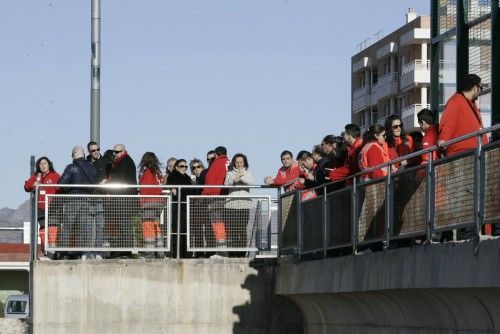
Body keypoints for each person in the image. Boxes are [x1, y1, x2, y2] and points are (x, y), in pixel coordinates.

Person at [58, 145, 98, 260]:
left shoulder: (71, 167)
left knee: (68, 226)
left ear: (74, 154)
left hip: (73, 199)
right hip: (87, 200)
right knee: (83, 226)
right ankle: (82, 253)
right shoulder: (91, 167)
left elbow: (61, 183)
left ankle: (63, 252)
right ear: (84, 154)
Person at [438, 73, 488, 156]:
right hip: (463, 154)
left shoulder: (472, 104)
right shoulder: (455, 101)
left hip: (477, 153)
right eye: (481, 88)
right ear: (475, 88)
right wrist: (443, 139)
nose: (480, 92)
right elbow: (448, 123)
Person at [24, 157, 60, 256]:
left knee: (52, 225)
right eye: (40, 164)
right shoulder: (36, 176)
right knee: (43, 227)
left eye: (45, 163)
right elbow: (26, 186)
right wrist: (33, 185)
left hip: (53, 206)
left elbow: (61, 187)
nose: (43, 165)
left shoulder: (55, 176)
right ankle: (45, 250)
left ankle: (52, 247)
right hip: (40, 206)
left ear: (49, 164)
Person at [107, 143, 138, 255]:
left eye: (117, 152)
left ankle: (126, 251)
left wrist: (109, 183)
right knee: (121, 225)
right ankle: (123, 250)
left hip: (124, 200)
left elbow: (122, 179)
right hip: (122, 199)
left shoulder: (126, 162)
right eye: (114, 152)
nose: (115, 154)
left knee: (125, 225)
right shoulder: (121, 162)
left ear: (123, 151)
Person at [86, 141, 114, 258]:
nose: (96, 152)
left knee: (100, 226)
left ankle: (98, 252)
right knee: (87, 227)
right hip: (88, 198)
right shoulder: (85, 164)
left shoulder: (105, 162)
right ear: (89, 152)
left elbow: (111, 178)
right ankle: (87, 252)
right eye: (93, 150)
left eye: (98, 149)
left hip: (101, 198)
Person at [202, 146, 231, 255]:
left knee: (217, 223)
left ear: (216, 155)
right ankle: (226, 250)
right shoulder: (231, 162)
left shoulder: (216, 164)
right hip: (229, 198)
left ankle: (221, 252)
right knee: (228, 225)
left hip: (216, 197)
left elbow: (210, 181)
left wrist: (204, 195)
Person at [224, 153, 255, 253]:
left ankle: (242, 252)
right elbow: (226, 183)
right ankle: (232, 252)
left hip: (244, 205)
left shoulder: (248, 172)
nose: (239, 164)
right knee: (232, 230)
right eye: (237, 162)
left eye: (241, 162)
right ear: (234, 163)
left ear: (244, 163)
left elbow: (251, 183)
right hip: (231, 205)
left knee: (242, 229)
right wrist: (234, 179)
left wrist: (241, 178)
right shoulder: (230, 173)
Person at [138, 152, 165, 258]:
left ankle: (149, 253)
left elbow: (145, 189)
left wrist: (141, 202)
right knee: (156, 227)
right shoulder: (158, 173)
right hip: (159, 202)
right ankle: (160, 251)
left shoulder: (147, 172)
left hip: (149, 202)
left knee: (148, 226)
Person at [167, 159, 196, 257]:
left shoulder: (187, 177)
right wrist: (172, 189)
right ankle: (177, 254)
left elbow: (191, 191)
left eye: (185, 166)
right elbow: (170, 186)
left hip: (186, 207)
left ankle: (186, 254)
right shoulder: (172, 176)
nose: (184, 168)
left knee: (186, 231)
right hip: (177, 208)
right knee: (177, 232)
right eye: (182, 166)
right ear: (176, 167)